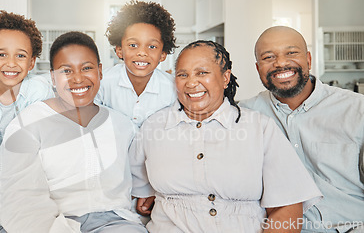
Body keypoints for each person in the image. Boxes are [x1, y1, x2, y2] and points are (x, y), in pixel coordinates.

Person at [131, 40, 322, 233]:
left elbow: (287, 206)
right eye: (183, 75)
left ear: (225, 78)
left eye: (202, 73)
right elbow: (135, 193)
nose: (191, 82)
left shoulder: (259, 128)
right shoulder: (153, 127)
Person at [0, 32, 146, 232]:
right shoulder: (27, 124)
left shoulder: (122, 125)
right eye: (66, 70)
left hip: (114, 222)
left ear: (100, 71)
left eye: (87, 68)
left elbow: (141, 181)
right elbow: (20, 201)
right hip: (50, 222)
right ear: (52, 77)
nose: (77, 78)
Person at [240, 26, 364, 232]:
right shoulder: (244, 115)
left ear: (308, 59)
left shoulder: (357, 109)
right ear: (258, 68)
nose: (280, 63)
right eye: (269, 57)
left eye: (291, 53)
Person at [0, 11, 54, 224]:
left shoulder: (38, 91)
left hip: (33, 157)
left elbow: (43, 140)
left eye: (21, 55)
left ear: (32, 62)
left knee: (35, 200)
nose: (11, 63)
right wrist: (1, 164)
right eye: (1, 55)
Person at [95, 0, 177, 127]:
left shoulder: (173, 88)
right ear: (119, 50)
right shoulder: (102, 82)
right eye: (133, 45)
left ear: (163, 54)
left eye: (152, 46)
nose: (142, 53)